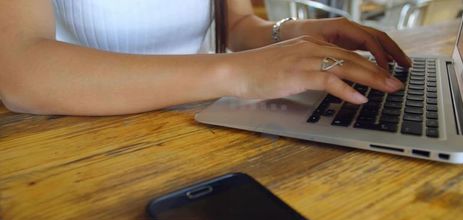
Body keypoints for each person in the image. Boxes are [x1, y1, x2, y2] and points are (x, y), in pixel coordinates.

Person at [0, 0, 410, 116]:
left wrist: (291, 33)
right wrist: (236, 74)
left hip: (188, 123)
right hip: (75, 133)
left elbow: (236, 22)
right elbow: (19, 73)